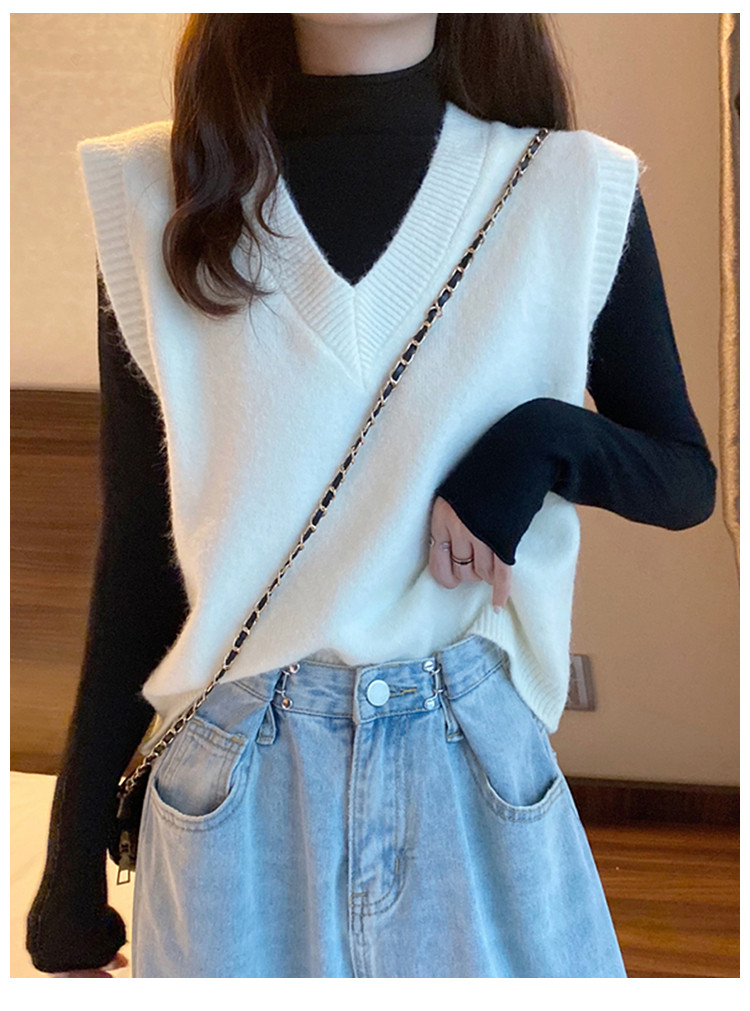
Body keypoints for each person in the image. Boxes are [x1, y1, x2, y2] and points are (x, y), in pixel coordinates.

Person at [26, 13, 716, 978]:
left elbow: (685, 477)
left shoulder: (571, 188)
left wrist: (539, 440)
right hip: (229, 788)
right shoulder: (158, 193)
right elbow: (142, 554)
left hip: (472, 762)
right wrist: (70, 863)